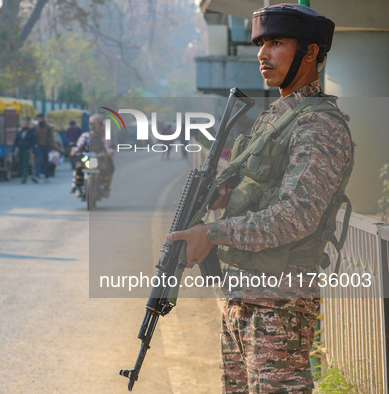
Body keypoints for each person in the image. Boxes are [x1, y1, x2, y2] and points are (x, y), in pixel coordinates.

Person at [166, 4, 353, 393]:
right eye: (261, 43)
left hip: (279, 303)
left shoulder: (318, 124)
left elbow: (296, 216)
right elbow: (264, 191)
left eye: (277, 42)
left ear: (311, 52)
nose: (262, 54)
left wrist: (213, 233)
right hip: (244, 295)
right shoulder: (275, 118)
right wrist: (225, 194)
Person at [70, 114, 115, 198]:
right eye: (93, 124)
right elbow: (78, 146)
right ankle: (76, 185)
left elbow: (107, 147)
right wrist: (74, 151)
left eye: (98, 124)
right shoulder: (85, 136)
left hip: (100, 158)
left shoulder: (104, 137)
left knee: (110, 167)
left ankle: (106, 187)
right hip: (87, 158)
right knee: (78, 166)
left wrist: (109, 152)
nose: (96, 126)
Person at [32, 113, 55, 183]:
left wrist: (52, 146)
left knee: (46, 162)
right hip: (38, 146)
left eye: (41, 118)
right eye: (38, 118)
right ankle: (36, 176)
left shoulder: (48, 127)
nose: (40, 119)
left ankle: (46, 175)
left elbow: (51, 137)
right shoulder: (35, 127)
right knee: (38, 161)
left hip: (46, 146)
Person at [12, 118, 36, 183]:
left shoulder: (31, 133)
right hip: (20, 150)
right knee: (21, 164)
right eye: (24, 124)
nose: (25, 125)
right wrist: (12, 150)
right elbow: (15, 142)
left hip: (27, 150)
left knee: (25, 164)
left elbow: (33, 143)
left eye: (26, 124)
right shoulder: (19, 133)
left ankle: (24, 177)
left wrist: (33, 152)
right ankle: (23, 175)